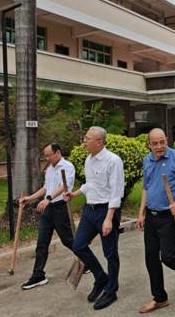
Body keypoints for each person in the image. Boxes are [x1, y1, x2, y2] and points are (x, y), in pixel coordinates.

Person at [137, 128, 175, 314]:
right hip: (151, 215)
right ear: (149, 144)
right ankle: (160, 298)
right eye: (155, 143)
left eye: (162, 142)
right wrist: (141, 213)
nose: (159, 146)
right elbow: (146, 187)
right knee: (151, 259)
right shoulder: (147, 160)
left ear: (166, 140)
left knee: (168, 256)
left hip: (170, 216)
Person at [65, 126, 124, 311]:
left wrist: (109, 218)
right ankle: (101, 277)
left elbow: (116, 192)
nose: (84, 141)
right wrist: (75, 194)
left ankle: (111, 290)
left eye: (87, 138)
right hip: (89, 210)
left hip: (107, 211)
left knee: (110, 253)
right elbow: (90, 184)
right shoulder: (88, 160)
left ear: (99, 142)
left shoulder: (113, 161)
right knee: (78, 246)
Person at [19, 143, 75, 289]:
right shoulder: (49, 169)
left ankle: (87, 261)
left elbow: (64, 187)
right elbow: (45, 188)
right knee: (42, 243)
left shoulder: (68, 167)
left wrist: (48, 199)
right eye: (45, 156)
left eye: (49, 155)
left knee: (68, 240)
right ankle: (38, 275)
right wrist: (30, 198)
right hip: (48, 209)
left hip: (60, 208)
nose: (47, 158)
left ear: (58, 152)